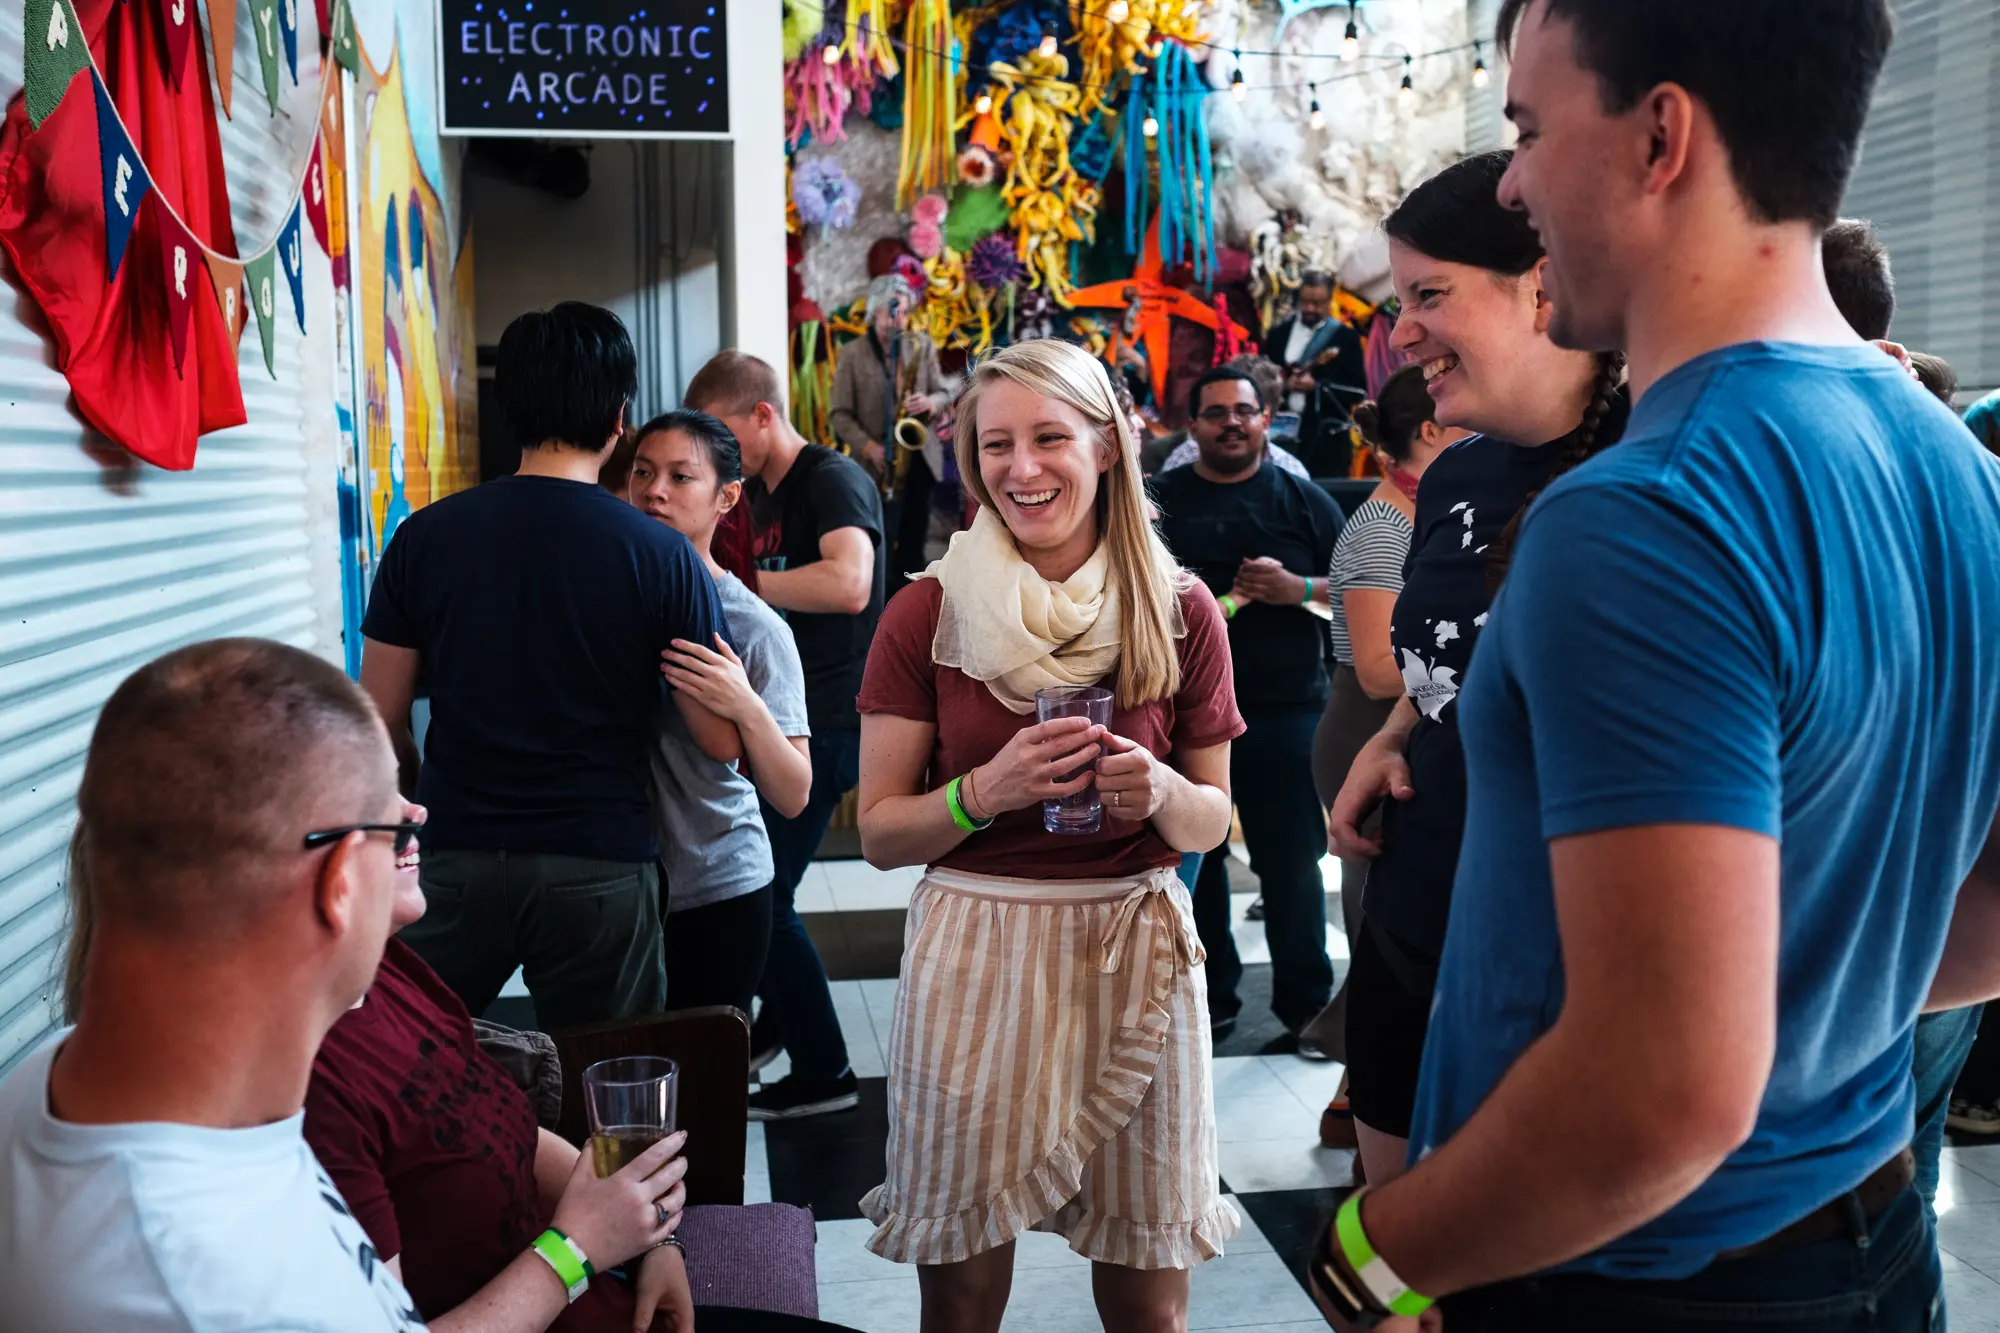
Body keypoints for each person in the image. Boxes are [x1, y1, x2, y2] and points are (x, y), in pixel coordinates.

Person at [1308, 7, 2000, 1333]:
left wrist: (1374, 1251)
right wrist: (1790, 1020)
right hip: (1862, 1233)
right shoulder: (1958, 467)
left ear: (1661, 136)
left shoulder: (1644, 514)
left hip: (1634, 1271)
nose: (1511, 182)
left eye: (1526, 131)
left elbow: (1661, 1094)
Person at [0, 639, 597, 1329]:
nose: (417, 815)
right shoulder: (216, 1292)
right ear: (338, 880)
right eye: (388, 810)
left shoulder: (59, 1078)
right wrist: (574, 1254)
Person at [854, 339, 1243, 1333]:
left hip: (1134, 945)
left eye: (1047, 438)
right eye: (994, 446)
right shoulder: (926, 613)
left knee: (1148, 1285)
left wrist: (1157, 787)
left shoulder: (1181, 609)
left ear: (1106, 446)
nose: (1019, 470)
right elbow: (879, 833)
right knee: (961, 1284)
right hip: (976, 951)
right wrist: (980, 791)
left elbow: (1211, 817)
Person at [1327, 150, 1630, 1183]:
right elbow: (1452, 658)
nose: (1399, 332)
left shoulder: (1650, 467)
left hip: (1562, 975)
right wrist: (1395, 730)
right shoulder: (1453, 469)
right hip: (1413, 921)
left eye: (1427, 296)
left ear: (1538, 284)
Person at [360, 303, 738, 1030]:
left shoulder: (424, 538)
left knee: (410, 1064)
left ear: (511, 405)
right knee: (612, 1096)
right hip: (598, 863)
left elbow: (379, 718)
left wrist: (424, 799)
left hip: (455, 854)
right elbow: (718, 741)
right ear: (619, 416)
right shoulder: (660, 554)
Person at [684, 350, 884, 1120]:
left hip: (833, 719)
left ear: (763, 414)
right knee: (767, 895)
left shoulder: (831, 479)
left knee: (764, 903)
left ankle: (826, 1069)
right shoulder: (766, 490)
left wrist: (723, 585)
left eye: (724, 431)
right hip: (801, 714)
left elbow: (849, 582)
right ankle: (775, 1029)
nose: (718, 453)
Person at [308, 942, 696, 1333]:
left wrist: (652, 1241)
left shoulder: (388, 968)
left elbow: (504, 1135)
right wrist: (574, 1251)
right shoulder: (308, 1088)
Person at [1151, 367, 1345, 1045]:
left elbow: (1362, 592)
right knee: (1192, 870)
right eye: (1215, 413)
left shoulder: (1304, 501)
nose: (1231, 422)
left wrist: (1299, 588)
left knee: (1291, 866)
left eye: (1243, 411)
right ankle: (1212, 999)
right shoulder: (1159, 502)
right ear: (1193, 425)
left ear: (1266, 419)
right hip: (1181, 720)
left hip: (1286, 711)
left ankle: (1307, 1007)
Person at [1299, 365, 1468, 1082]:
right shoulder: (1379, 527)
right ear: (1428, 432)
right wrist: (1473, 649)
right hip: (1365, 723)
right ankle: (1358, 1071)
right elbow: (1374, 666)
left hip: (1400, 721)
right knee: (1377, 911)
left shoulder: (1431, 508)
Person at [626, 409, 813, 1015]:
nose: (655, 491)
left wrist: (743, 706)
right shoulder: (600, 596)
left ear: (726, 497)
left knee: (704, 1095)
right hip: (616, 892)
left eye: (681, 478)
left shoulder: (754, 626)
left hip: (717, 890)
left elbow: (793, 793)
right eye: (644, 472)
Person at [830, 274, 949, 586]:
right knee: (880, 543)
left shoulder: (920, 345)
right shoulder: (852, 354)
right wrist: (869, 447)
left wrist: (931, 402)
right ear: (874, 312)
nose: (900, 319)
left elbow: (943, 391)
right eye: (892, 311)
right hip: (876, 465)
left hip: (919, 459)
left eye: (905, 312)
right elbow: (839, 414)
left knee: (914, 539)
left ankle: (911, 603)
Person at [1261, 270, 1368, 475]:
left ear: (1329, 301)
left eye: (1318, 303)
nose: (1310, 308)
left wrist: (1316, 387)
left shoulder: (1345, 338)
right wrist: (1283, 385)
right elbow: (1261, 382)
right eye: (1305, 302)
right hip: (1279, 437)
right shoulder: (1278, 335)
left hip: (1325, 442)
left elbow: (1357, 390)